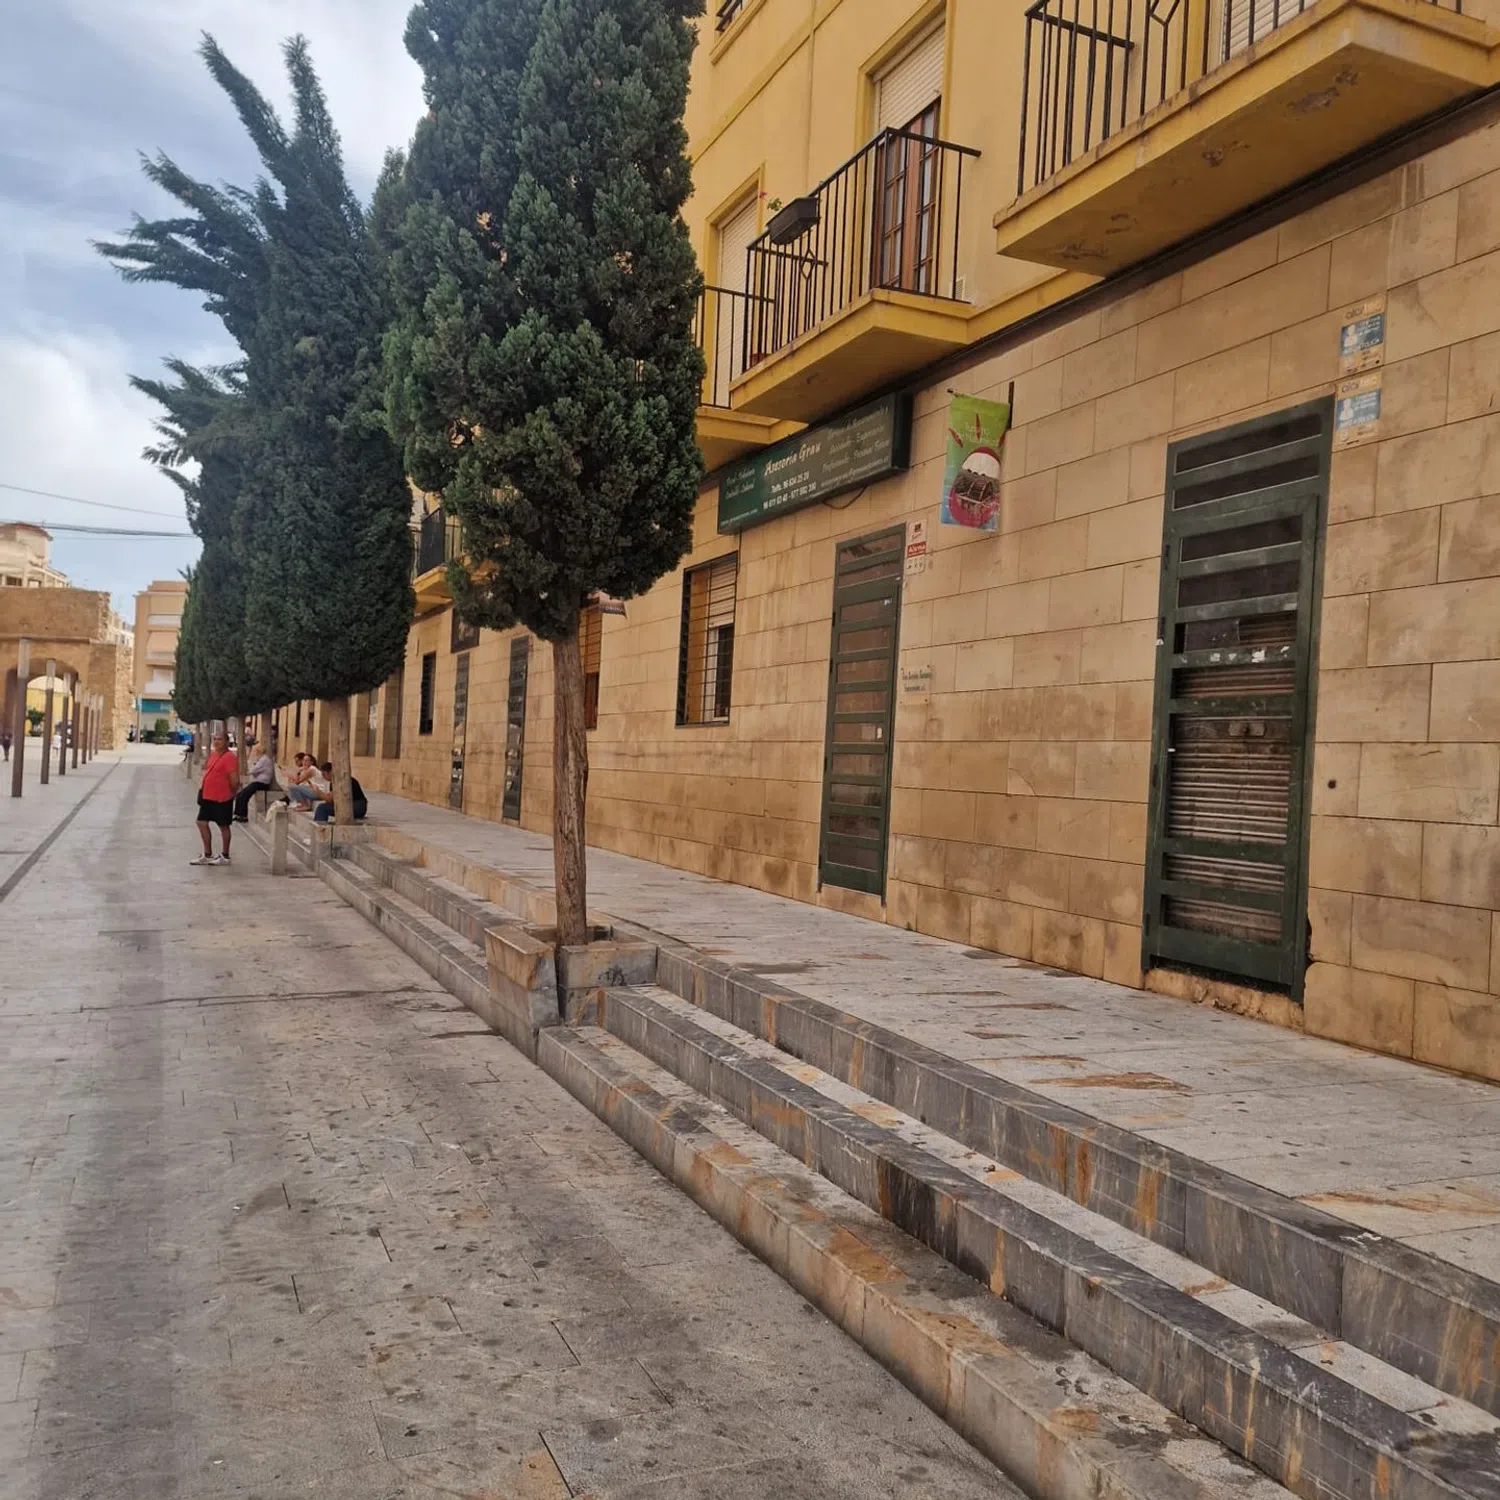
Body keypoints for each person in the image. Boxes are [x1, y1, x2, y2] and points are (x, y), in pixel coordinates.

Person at [193, 732, 239, 866]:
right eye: (215, 739)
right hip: (208, 795)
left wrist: (232, 793)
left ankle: (225, 855)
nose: (217, 741)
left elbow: (234, 779)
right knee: (201, 822)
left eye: (220, 739)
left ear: (227, 742)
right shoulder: (213, 754)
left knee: (223, 826)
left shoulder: (230, 757)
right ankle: (207, 854)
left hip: (222, 797)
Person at [232, 738, 276, 822]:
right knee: (240, 794)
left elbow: (253, 770)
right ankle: (238, 814)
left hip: (261, 783)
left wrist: (251, 765)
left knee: (244, 795)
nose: (254, 752)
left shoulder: (264, 760)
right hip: (257, 782)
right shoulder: (262, 759)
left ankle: (243, 816)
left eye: (255, 751)